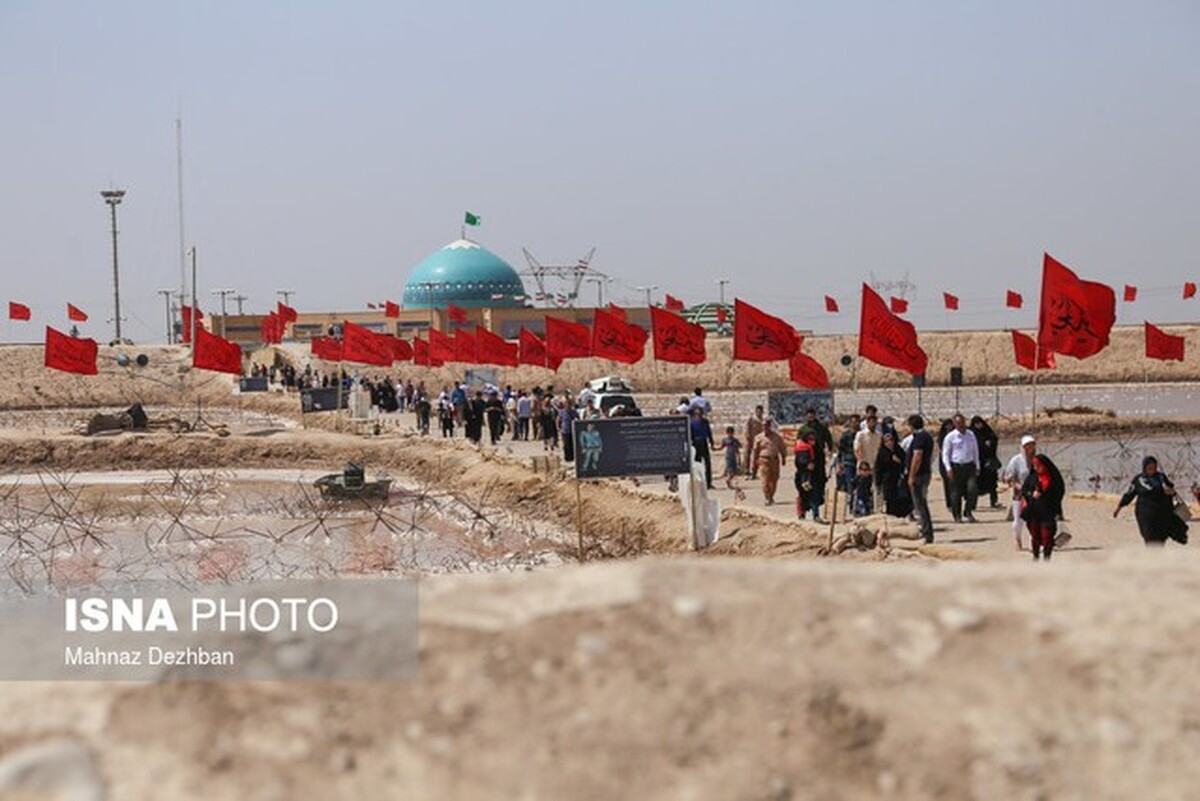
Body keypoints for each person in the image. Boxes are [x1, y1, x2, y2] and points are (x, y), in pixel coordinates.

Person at [1113, 456, 1189, 547]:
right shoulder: (1139, 480)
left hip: (1163, 513)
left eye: (1154, 468)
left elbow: (1171, 488)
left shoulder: (1161, 477)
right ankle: (1151, 559)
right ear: (1144, 468)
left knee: (1162, 537)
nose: (1152, 470)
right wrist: (1119, 508)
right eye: (1150, 468)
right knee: (1150, 539)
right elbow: (1130, 495)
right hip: (1147, 514)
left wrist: (1170, 492)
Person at [1021, 454, 1065, 561]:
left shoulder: (1054, 479)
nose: (1036, 468)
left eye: (1038, 465)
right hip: (1033, 512)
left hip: (1048, 513)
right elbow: (1024, 490)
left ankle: (1047, 559)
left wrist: (1047, 497)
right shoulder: (1031, 478)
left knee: (1047, 538)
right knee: (1035, 537)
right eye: (1034, 465)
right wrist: (1032, 494)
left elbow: (1059, 493)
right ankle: (1035, 557)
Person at [941, 413, 980, 523]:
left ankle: (968, 511)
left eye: (962, 422)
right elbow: (945, 454)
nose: (961, 425)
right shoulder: (950, 437)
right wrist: (948, 468)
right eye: (958, 423)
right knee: (955, 493)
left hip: (969, 466)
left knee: (972, 489)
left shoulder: (971, 435)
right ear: (954, 424)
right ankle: (957, 515)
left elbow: (975, 451)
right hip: (956, 466)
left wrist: (977, 465)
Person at [1002, 435, 1037, 550]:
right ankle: (1017, 540)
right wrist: (1017, 485)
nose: (1029, 448)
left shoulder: (1038, 459)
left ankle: (1037, 541)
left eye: (1032, 445)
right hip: (1019, 494)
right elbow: (1008, 478)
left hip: (1035, 493)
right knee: (1019, 520)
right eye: (1027, 446)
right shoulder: (1016, 460)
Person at [906, 414, 935, 544]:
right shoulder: (927, 436)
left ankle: (927, 532)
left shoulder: (919, 438)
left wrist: (911, 476)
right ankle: (926, 530)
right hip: (926, 472)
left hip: (919, 475)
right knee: (921, 503)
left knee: (920, 504)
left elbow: (917, 457)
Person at [751, 418, 787, 505]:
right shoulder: (758, 438)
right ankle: (767, 497)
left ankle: (771, 496)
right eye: (763, 425)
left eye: (766, 425)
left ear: (770, 426)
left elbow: (782, 447)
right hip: (764, 460)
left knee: (774, 479)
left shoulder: (776, 437)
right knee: (765, 480)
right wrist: (753, 462)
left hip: (774, 460)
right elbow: (755, 451)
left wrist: (783, 458)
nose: (765, 427)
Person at [874, 429, 909, 517]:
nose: (889, 443)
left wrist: (898, 461)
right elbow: (878, 468)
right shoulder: (882, 452)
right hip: (887, 480)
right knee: (889, 499)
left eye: (891, 440)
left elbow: (905, 462)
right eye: (887, 441)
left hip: (898, 479)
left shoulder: (898, 450)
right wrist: (878, 482)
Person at [971, 415, 1002, 509]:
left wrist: (990, 443)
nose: (978, 425)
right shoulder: (971, 433)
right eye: (976, 424)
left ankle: (993, 502)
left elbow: (994, 439)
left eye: (979, 423)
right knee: (975, 484)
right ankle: (973, 504)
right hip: (978, 463)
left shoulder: (988, 431)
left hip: (989, 462)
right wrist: (982, 445)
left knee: (992, 483)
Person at [854, 411, 882, 512]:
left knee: (875, 488)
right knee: (862, 489)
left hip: (875, 466)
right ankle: (860, 508)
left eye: (875, 422)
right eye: (871, 422)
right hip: (864, 467)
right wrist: (862, 463)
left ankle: (874, 509)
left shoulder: (878, 435)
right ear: (867, 422)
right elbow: (857, 449)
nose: (873, 424)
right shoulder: (860, 435)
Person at [794, 431, 819, 521]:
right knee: (807, 495)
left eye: (813, 439)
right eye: (810, 439)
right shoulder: (803, 448)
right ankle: (805, 514)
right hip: (804, 475)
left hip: (812, 475)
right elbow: (800, 461)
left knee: (811, 495)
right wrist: (808, 465)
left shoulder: (814, 447)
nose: (813, 441)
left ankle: (814, 514)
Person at [744, 405, 766, 478]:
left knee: (756, 457)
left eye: (760, 412)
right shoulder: (751, 419)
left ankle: (754, 472)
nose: (759, 413)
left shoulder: (763, 421)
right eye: (758, 411)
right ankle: (746, 471)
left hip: (758, 441)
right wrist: (748, 437)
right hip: (750, 439)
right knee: (747, 455)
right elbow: (747, 428)